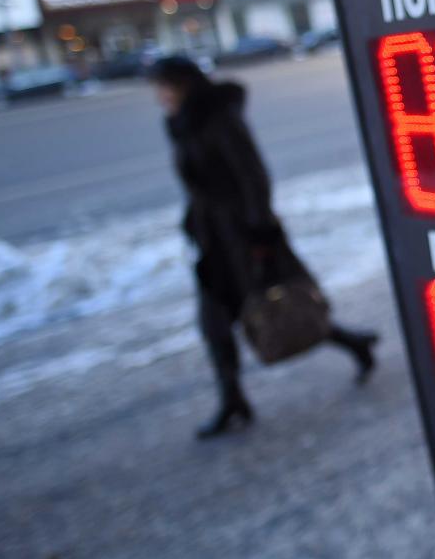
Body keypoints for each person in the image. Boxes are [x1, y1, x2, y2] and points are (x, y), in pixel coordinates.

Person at [149, 56, 378, 439]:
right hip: (212, 239)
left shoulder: (219, 118)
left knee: (278, 305)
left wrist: (260, 234)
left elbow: (253, 176)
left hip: (243, 235)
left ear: (182, 84)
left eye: (163, 86)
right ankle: (233, 399)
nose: (158, 96)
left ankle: (351, 343)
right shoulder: (181, 123)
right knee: (214, 321)